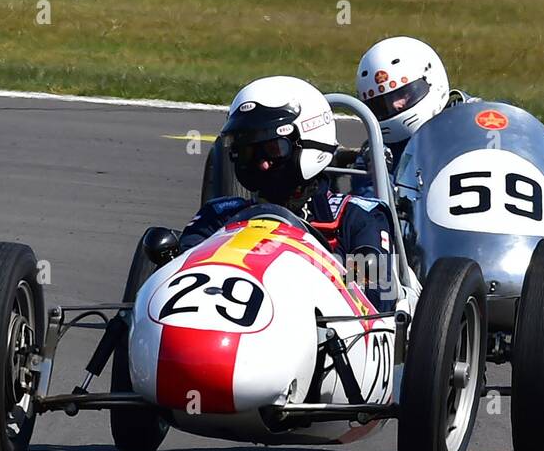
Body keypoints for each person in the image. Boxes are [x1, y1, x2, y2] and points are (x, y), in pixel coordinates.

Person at [180, 76, 394, 308]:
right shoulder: (217, 215)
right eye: (248, 152)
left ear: (311, 143)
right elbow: (177, 278)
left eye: (273, 149)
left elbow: (374, 304)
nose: (261, 164)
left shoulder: (358, 217)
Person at [352, 36, 473, 185]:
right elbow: (369, 200)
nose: (395, 105)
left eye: (403, 94)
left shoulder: (472, 120)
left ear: (431, 79)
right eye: (382, 103)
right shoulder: (377, 150)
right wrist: (377, 173)